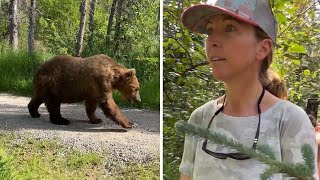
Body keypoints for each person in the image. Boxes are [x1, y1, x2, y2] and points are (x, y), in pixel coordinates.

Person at [178, 0, 318, 179]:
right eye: (210, 30)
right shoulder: (200, 118)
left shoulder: (290, 121)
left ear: (263, 48)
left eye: (229, 28)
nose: (212, 41)